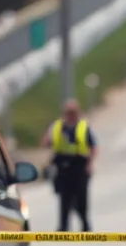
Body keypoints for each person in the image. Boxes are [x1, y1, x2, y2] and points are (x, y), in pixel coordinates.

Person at [41, 99, 96, 232]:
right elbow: (46, 142)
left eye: (73, 112)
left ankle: (85, 224)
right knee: (64, 198)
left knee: (81, 198)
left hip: (79, 167)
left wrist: (89, 164)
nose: (71, 115)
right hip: (63, 167)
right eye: (68, 112)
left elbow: (93, 147)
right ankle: (63, 226)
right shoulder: (57, 127)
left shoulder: (83, 127)